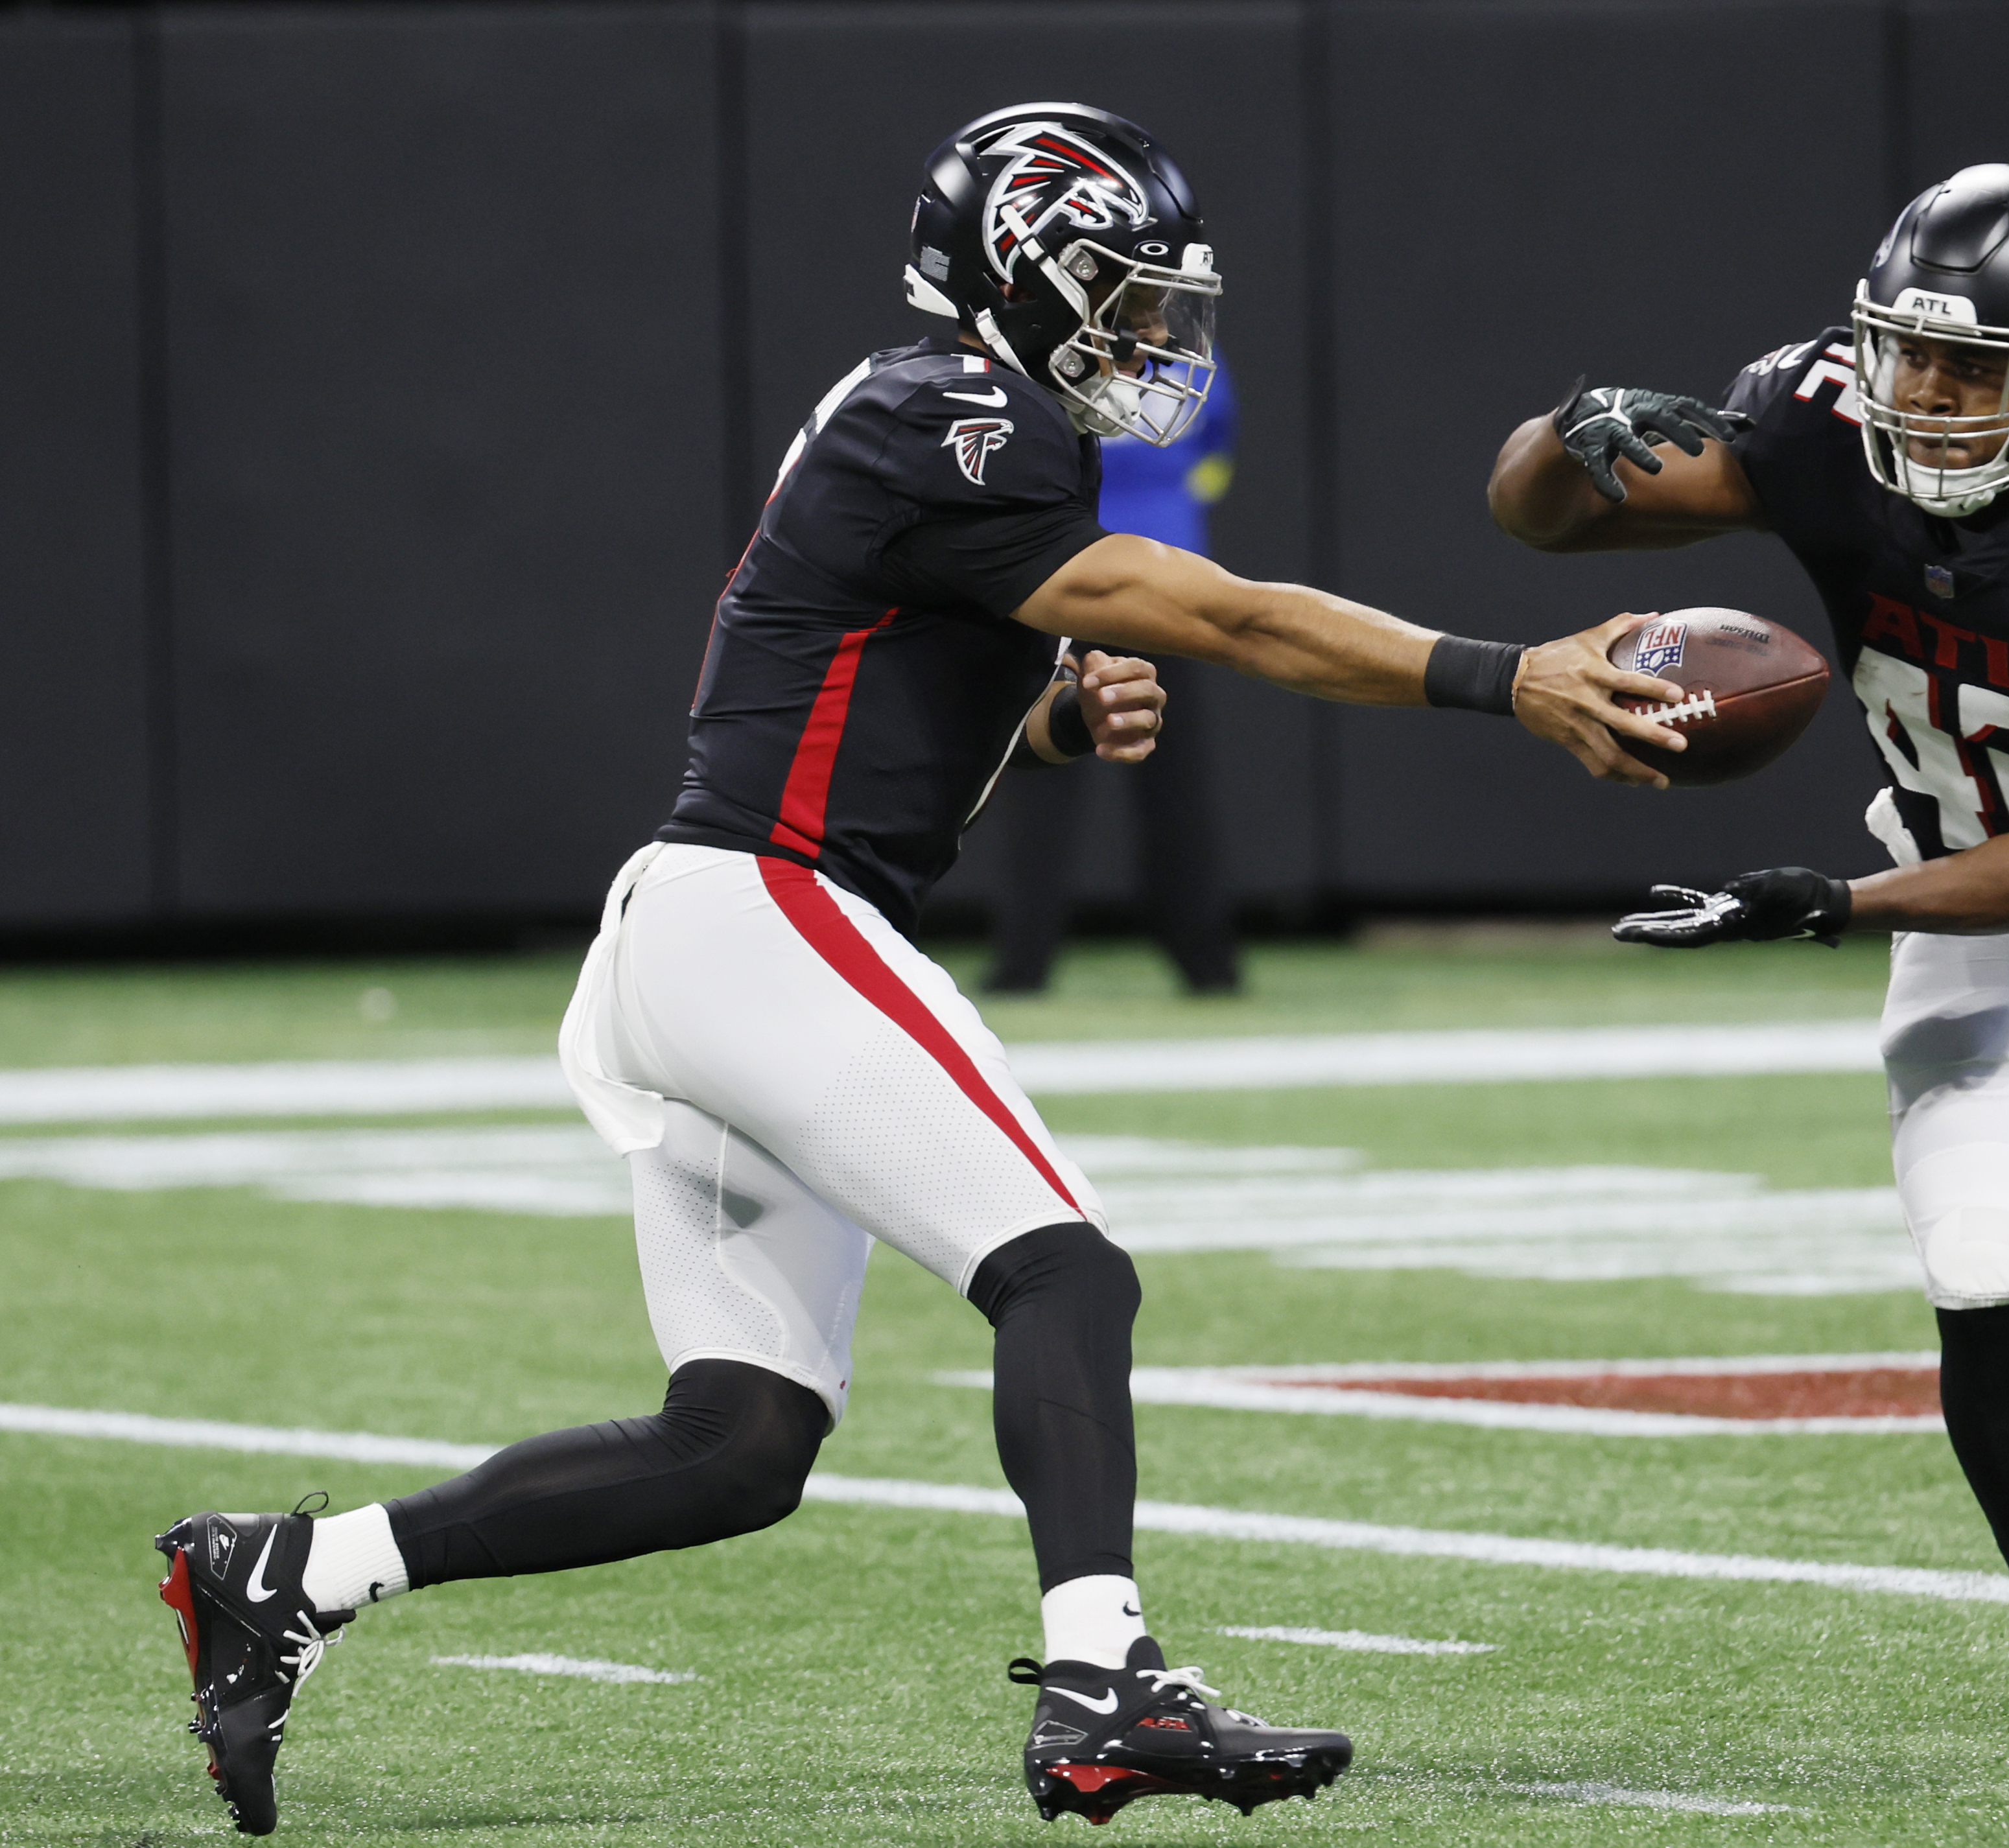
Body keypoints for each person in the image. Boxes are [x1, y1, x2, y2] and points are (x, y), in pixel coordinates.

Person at [151, 102, 1687, 1837]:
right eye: (1123, 296)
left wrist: (1031, 722)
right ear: (1022, 275)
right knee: (1064, 1273)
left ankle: (294, 1569)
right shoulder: (955, 409)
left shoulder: (939, 417)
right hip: (762, 915)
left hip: (707, 927)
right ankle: (1106, 1685)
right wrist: (1508, 675)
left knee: (738, 1442)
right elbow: (1234, 617)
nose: (1153, 338)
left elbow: (849, 687)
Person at [1489, 165, 2009, 1823]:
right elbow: (1537, 513)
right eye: (1909, 356)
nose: (1926, 397)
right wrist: (1569, 427)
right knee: (1986, 1264)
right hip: (1965, 919)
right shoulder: (1818, 416)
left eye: (1978, 365)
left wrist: (1830, 902)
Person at [986, 366, 1243, 994]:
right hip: (1163, 574)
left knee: (1042, 773)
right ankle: (1206, 965)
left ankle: (1023, 964)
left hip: (1072, 571)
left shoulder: (1049, 352)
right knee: (1174, 784)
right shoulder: (1188, 357)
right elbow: (1214, 462)